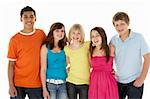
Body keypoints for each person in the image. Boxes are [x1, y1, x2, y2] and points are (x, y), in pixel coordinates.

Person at [7, 6, 46, 99]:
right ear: (21, 19)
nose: (29, 19)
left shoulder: (41, 34)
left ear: (35, 18)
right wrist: (11, 85)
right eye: (25, 17)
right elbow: (11, 64)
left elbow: (53, 46)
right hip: (18, 83)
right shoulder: (14, 39)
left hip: (36, 83)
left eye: (31, 16)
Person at [110, 12, 150, 99]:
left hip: (135, 81)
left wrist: (142, 78)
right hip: (118, 81)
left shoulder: (138, 38)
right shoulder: (113, 40)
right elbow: (109, 58)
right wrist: (111, 70)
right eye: (117, 25)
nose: (119, 27)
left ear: (128, 24)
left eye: (122, 24)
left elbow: (147, 58)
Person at [88, 27, 118, 99]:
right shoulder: (91, 51)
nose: (95, 38)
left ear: (102, 36)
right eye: (93, 36)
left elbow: (120, 62)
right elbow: (89, 66)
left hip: (108, 81)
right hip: (95, 82)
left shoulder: (111, 48)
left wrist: (116, 72)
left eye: (97, 35)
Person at [40, 22, 68, 99]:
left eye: (62, 31)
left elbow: (68, 65)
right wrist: (44, 89)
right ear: (52, 32)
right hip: (50, 84)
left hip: (63, 84)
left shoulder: (66, 47)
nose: (60, 33)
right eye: (57, 31)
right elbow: (43, 69)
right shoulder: (45, 48)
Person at [64, 24, 90, 99]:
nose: (76, 35)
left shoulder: (87, 45)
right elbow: (66, 63)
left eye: (78, 33)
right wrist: (66, 69)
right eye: (73, 33)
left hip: (85, 82)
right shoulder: (67, 48)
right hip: (71, 81)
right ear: (70, 34)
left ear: (82, 34)